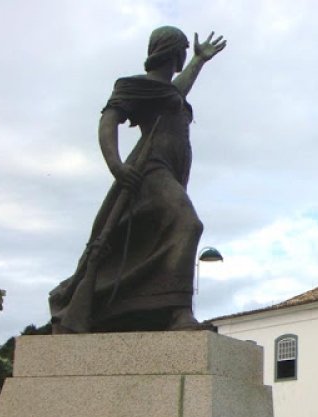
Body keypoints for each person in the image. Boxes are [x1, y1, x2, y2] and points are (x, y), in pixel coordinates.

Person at [49, 26, 226, 333]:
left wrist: (198, 62)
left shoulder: (167, 91)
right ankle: (177, 313)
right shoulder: (132, 85)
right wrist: (116, 165)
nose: (186, 55)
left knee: (162, 233)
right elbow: (109, 119)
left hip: (170, 169)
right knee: (187, 224)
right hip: (150, 168)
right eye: (185, 50)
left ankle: (147, 307)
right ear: (173, 50)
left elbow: (175, 92)